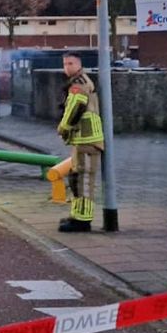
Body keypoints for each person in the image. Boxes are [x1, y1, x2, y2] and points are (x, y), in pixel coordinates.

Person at [56, 53, 104, 233]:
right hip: (82, 139)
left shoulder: (79, 84)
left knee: (83, 180)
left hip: (87, 138)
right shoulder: (77, 82)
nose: (67, 67)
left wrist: (64, 127)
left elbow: (76, 107)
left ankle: (83, 220)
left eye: (71, 63)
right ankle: (76, 215)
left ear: (79, 64)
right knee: (76, 179)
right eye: (65, 64)